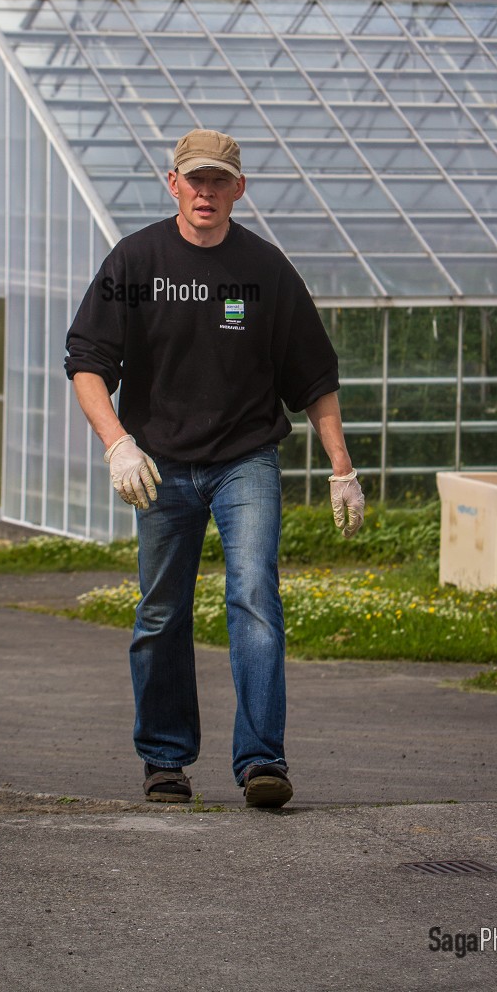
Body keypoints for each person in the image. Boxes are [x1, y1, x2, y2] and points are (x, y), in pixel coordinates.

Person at [65, 128, 365, 808]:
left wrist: (341, 467)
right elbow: (86, 362)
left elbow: (312, 375)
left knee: (254, 599)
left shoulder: (263, 270)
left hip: (244, 460)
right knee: (159, 612)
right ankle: (165, 760)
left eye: (218, 180)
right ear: (171, 182)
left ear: (238, 188)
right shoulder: (135, 262)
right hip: (160, 464)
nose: (205, 192)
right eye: (193, 179)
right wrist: (117, 443)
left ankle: (262, 761)